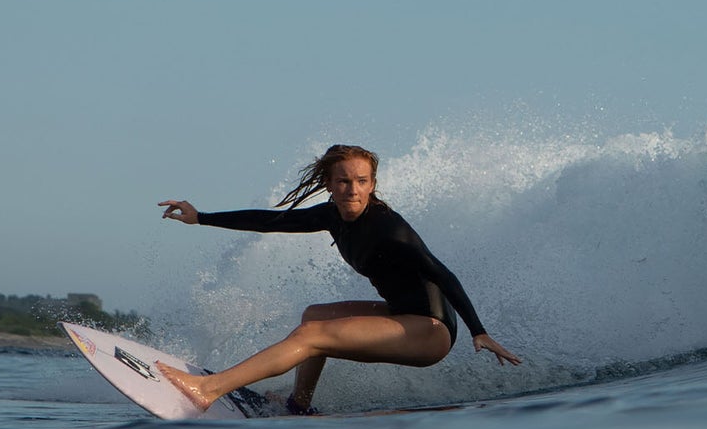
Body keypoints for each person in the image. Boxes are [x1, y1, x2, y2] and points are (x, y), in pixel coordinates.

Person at [156, 143, 522, 414]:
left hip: (430, 330)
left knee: (311, 336)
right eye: (344, 181)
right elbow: (270, 221)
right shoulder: (332, 215)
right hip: (402, 315)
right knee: (314, 316)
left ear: (372, 184)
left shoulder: (388, 229)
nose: (352, 189)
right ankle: (299, 405)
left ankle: (208, 389)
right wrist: (201, 217)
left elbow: (442, 273)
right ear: (330, 184)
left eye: (361, 181)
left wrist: (478, 331)